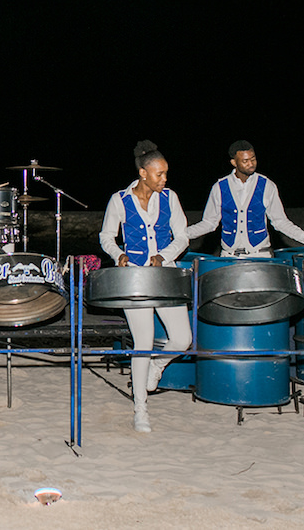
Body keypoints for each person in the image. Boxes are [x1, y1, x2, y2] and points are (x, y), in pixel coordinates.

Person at [98, 141, 192, 433]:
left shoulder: (170, 198)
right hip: (135, 280)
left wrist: (164, 256)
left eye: (165, 174)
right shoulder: (119, 200)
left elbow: (183, 237)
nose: (165, 179)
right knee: (143, 343)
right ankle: (141, 409)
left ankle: (158, 366)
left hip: (166, 275)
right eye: (160, 174)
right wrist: (118, 255)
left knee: (182, 339)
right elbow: (106, 237)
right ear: (143, 173)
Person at [186, 140, 304, 257]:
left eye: (253, 159)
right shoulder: (219, 187)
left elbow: (280, 222)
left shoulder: (267, 185)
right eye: (245, 161)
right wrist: (183, 234)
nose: (251, 164)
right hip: (228, 256)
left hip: (260, 255)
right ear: (234, 163)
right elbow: (209, 223)